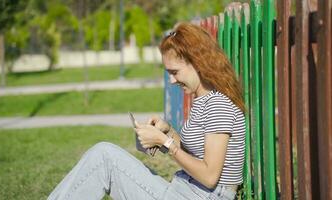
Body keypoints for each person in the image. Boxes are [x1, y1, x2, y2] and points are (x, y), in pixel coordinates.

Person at [48, 22, 246, 200]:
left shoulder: (218, 105)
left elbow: (210, 176)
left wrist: (165, 143)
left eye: (174, 72)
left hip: (198, 196)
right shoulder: (205, 100)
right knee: (104, 155)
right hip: (185, 192)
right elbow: (198, 156)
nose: (172, 80)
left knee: (104, 156)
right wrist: (167, 132)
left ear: (198, 63)